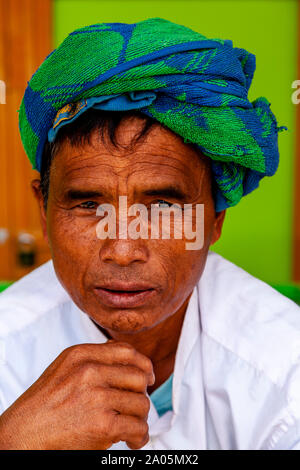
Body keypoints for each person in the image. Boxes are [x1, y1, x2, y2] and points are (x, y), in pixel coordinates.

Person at [0, 17, 299, 450]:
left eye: (162, 206)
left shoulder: (282, 370)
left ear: (214, 220)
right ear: (44, 215)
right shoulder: (6, 344)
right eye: (89, 205)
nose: (122, 249)